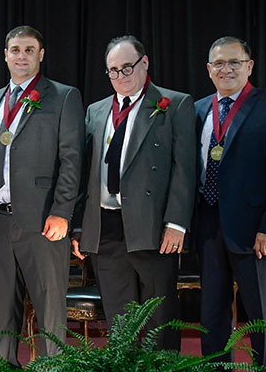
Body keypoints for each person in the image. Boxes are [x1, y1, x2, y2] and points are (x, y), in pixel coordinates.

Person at [71, 36, 195, 350]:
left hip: (153, 226)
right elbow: (85, 173)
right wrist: (79, 225)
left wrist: (177, 223)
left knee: (159, 314)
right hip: (106, 225)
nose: (121, 77)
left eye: (127, 67)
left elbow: (185, 168)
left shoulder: (173, 103)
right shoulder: (96, 111)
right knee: (119, 317)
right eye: (113, 71)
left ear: (144, 62)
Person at [0, 25, 84, 364]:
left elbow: (72, 159)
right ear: (5, 55)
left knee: (51, 311)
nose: (22, 56)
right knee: (2, 313)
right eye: (16, 50)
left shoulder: (63, 97)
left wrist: (63, 211)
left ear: (41, 55)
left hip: (43, 222)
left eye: (29, 50)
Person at [195, 36, 266, 371]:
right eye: (219, 64)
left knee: (262, 317)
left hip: (258, 232)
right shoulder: (197, 109)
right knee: (211, 313)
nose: (226, 69)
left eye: (234, 62)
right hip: (209, 227)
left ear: (249, 66)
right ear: (209, 69)